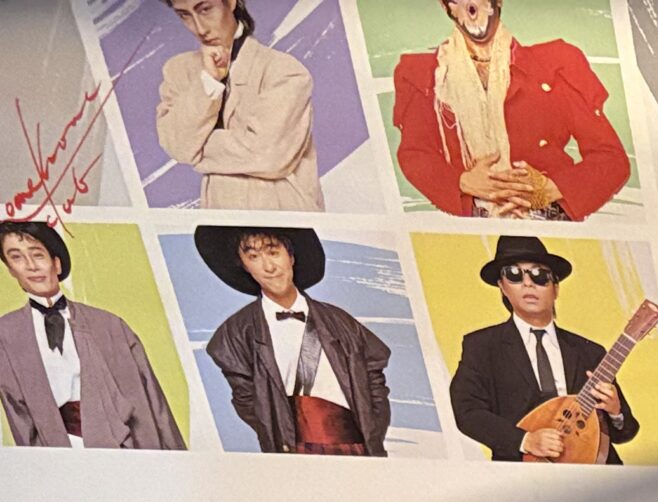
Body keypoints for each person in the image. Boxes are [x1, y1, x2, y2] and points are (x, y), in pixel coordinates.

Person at [391, 0, 630, 220]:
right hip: (471, 222)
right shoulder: (427, 74)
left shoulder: (553, 64)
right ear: (446, 8)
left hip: (550, 217)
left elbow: (611, 159)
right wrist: (462, 182)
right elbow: (416, 154)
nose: (470, 7)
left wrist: (553, 188)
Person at [197, 226, 391, 456]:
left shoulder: (340, 321)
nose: (269, 267)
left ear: (291, 256)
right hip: (290, 449)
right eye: (254, 257)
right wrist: (278, 430)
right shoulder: (235, 333)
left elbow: (374, 377)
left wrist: (372, 430)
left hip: (354, 446)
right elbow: (245, 399)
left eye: (273, 252)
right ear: (244, 265)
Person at [449, 234, 639, 462]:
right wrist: (525, 440)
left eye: (539, 275)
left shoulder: (590, 351)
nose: (528, 283)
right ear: (502, 286)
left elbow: (626, 432)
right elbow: (467, 412)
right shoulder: (482, 346)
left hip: (593, 472)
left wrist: (615, 412)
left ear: (556, 287)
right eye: (514, 274)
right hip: (521, 473)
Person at [0, 221, 186, 451]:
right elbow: (16, 414)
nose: (31, 266)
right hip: (56, 453)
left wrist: (176, 460)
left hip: (124, 448)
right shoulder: (6, 334)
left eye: (37, 254)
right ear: (10, 269)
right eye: (16, 257)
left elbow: (156, 404)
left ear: (56, 263)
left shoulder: (110, 325)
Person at [155, 0, 322, 211]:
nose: (200, 28)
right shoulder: (179, 70)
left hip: (284, 215)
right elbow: (177, 146)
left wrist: (197, 149)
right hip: (220, 219)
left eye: (205, 9)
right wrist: (209, 81)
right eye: (184, 15)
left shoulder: (284, 70)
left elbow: (267, 155)